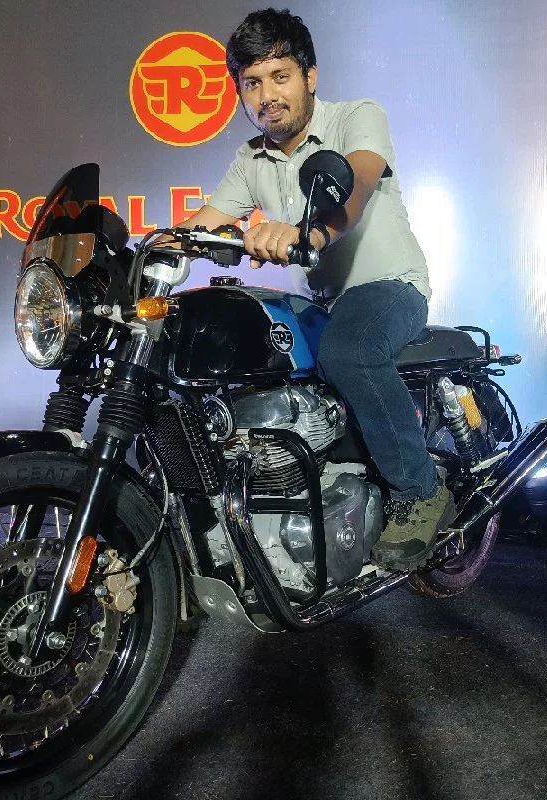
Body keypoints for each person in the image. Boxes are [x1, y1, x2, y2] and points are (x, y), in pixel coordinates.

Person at [182, 8, 454, 570]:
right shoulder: (251, 159)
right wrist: (149, 250)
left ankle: (421, 491)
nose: (267, 96)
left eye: (280, 76)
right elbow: (202, 222)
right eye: (251, 83)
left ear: (309, 76)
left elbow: (354, 187)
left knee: (349, 350)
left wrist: (311, 232)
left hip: (389, 286)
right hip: (325, 303)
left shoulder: (357, 117)